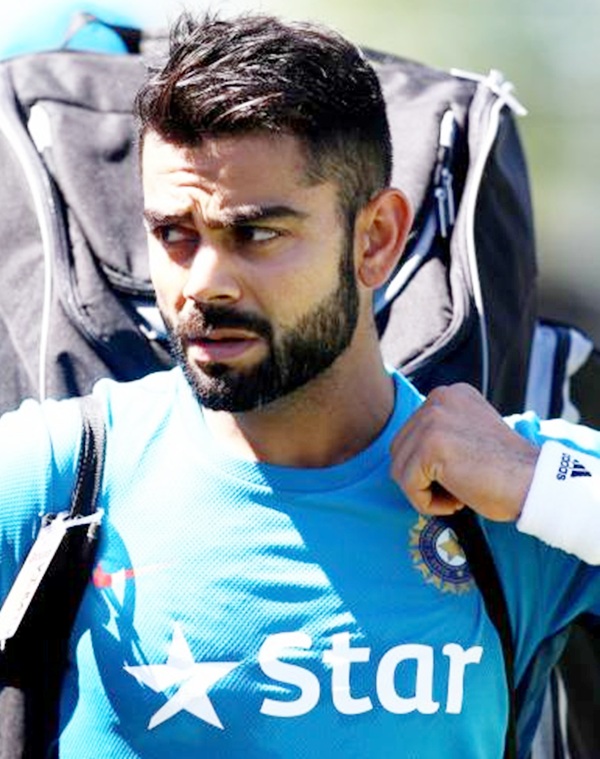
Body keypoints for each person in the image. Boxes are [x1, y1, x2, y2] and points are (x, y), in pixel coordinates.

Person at [1, 11, 600, 758]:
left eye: (255, 234)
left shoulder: (507, 496)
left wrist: (537, 480)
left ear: (376, 238)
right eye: (173, 234)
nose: (204, 283)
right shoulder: (61, 474)